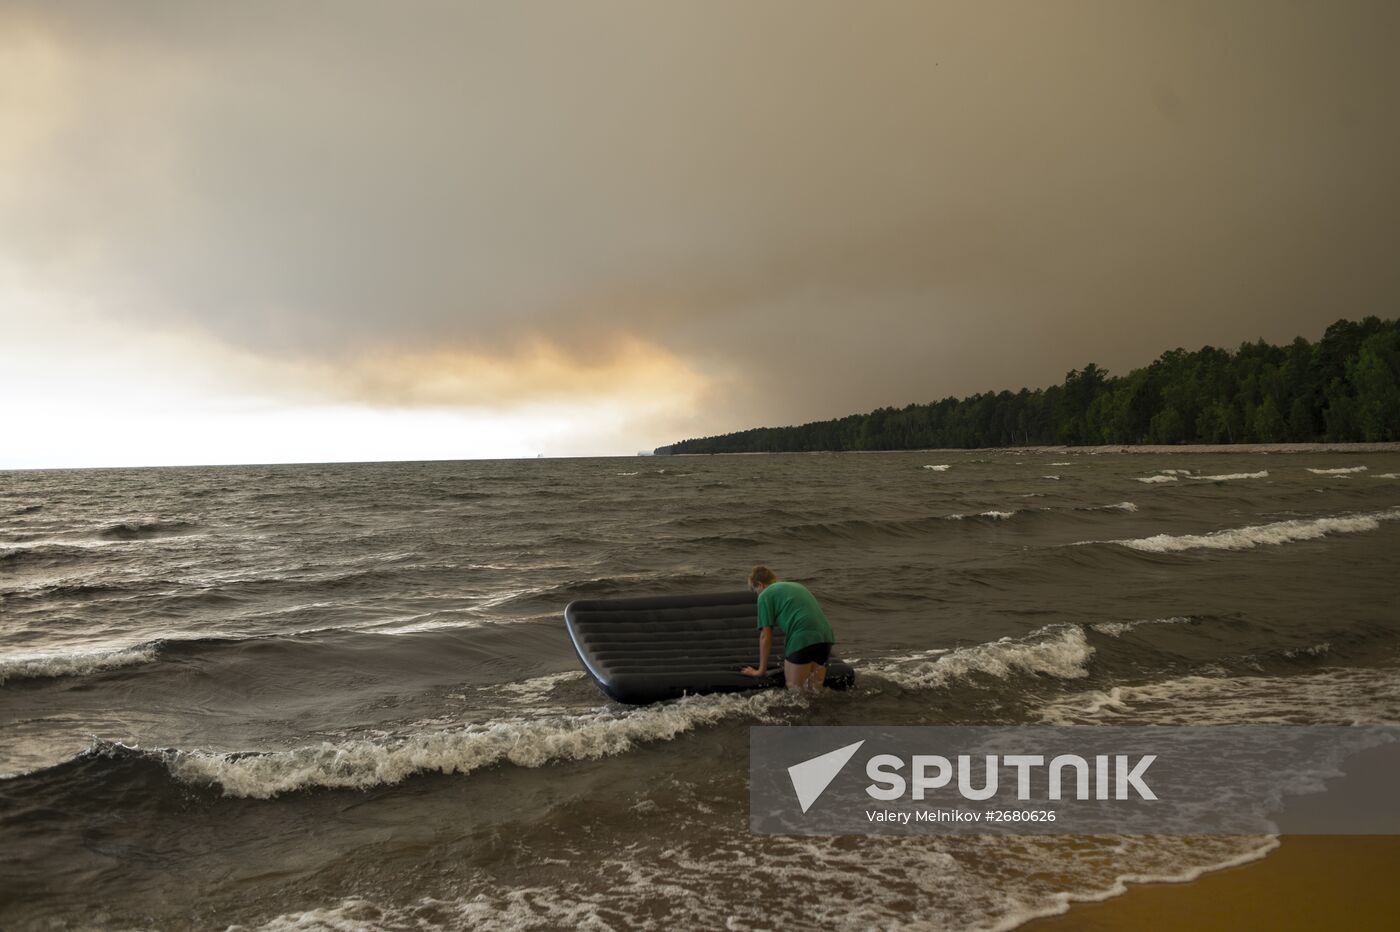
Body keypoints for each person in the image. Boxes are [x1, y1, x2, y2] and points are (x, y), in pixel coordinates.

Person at [740, 565, 836, 691]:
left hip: (801, 639)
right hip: (825, 637)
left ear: (760, 585)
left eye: (754, 590)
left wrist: (760, 671)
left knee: (795, 691)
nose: (756, 594)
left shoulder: (765, 595)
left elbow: (765, 636)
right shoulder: (796, 586)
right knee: (816, 691)